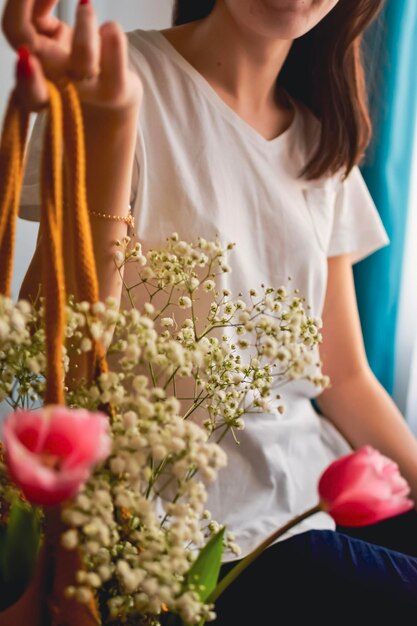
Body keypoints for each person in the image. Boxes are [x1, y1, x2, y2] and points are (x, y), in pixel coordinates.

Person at [3, 0, 417, 622]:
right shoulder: (117, 77)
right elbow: (56, 348)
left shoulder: (320, 143)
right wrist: (110, 129)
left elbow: (347, 379)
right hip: (203, 538)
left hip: (317, 496)